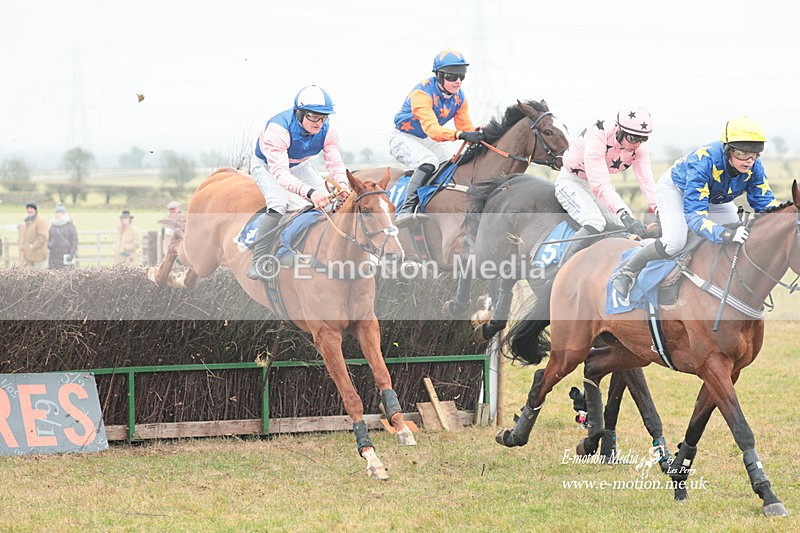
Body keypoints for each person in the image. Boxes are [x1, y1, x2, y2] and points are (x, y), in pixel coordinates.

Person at [611, 115, 780, 298]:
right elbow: (695, 217)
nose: (748, 160)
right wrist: (725, 233)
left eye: (754, 154)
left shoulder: (755, 167)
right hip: (677, 190)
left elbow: (766, 204)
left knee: (738, 230)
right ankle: (626, 270)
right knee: (675, 242)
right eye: (741, 154)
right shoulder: (703, 162)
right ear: (727, 150)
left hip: (714, 197)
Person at [247, 84, 350, 280]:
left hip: (300, 165)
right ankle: (259, 260)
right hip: (268, 166)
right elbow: (281, 174)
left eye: (324, 117)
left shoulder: (328, 131)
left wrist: (343, 186)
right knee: (279, 203)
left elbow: (335, 164)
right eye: (313, 116)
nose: (319, 122)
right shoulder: (278, 130)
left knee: (329, 204)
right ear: (299, 113)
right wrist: (310, 193)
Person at [389, 48, 484, 227]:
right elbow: (433, 130)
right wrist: (460, 135)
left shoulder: (460, 97)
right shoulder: (422, 94)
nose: (458, 81)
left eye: (461, 76)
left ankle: (433, 201)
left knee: (450, 161)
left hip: (424, 138)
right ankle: (405, 210)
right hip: (403, 137)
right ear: (439, 76)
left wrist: (476, 132)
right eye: (452, 77)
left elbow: (465, 127)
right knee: (429, 161)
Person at [555, 107, 658, 265]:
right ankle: (561, 270)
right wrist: (624, 215)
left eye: (643, 139)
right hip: (572, 181)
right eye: (632, 138)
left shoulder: (639, 148)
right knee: (595, 221)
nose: (637, 144)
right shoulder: (598, 134)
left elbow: (647, 182)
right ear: (619, 130)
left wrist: (659, 210)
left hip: (595, 186)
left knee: (623, 226)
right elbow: (600, 184)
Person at [48, 203, 78, 269]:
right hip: (53, 257)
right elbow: (49, 239)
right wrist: (50, 245)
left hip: (66, 256)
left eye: (60, 212)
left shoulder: (70, 226)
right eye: (56, 212)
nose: (57, 214)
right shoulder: (52, 226)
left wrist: (72, 254)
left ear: (64, 214)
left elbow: (74, 241)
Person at [19, 201, 49, 269]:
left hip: (39, 256)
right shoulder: (27, 221)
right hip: (29, 257)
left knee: (40, 277)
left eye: (31, 208)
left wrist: (33, 246)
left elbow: (43, 236)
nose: (29, 210)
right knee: (29, 278)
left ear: (35, 210)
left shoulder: (40, 221)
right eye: (28, 208)